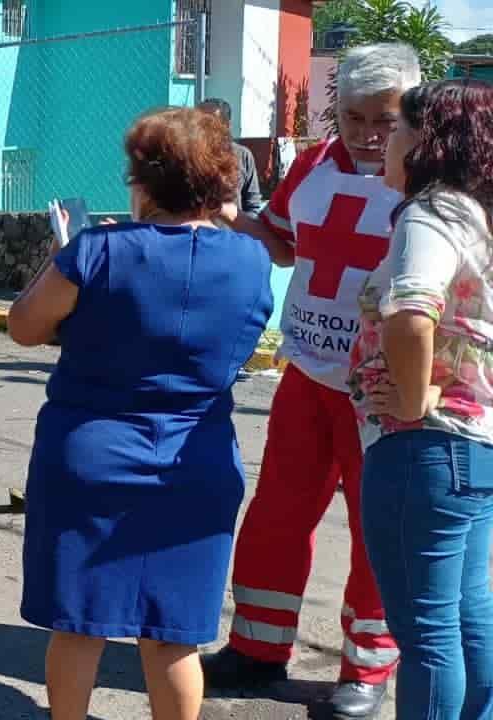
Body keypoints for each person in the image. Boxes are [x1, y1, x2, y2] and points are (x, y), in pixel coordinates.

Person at [8, 106, 272, 720]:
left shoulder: (96, 251)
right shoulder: (250, 261)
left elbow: (25, 327)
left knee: (79, 625)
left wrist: (62, 258)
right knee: (174, 636)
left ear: (145, 181)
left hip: (90, 457)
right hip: (197, 461)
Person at [202, 43, 419, 718]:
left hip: (381, 393)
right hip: (307, 376)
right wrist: (224, 220)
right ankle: (258, 649)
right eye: (351, 118)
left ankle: (367, 669)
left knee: (377, 533)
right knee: (275, 515)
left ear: (410, 110)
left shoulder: (426, 180)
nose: (364, 134)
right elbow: (284, 239)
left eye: (380, 119)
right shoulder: (313, 164)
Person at [350, 78, 493, 720]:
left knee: (431, 636)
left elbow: (411, 313)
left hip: (425, 450)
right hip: (476, 445)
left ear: (429, 142)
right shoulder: (479, 215)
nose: (385, 141)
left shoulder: (430, 214)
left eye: (399, 129)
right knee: (469, 618)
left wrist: (411, 401)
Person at [197, 98, 265, 215]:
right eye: (198, 119)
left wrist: (243, 231)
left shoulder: (243, 155)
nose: (201, 125)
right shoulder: (185, 156)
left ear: (226, 125)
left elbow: (252, 205)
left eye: (209, 120)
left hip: (231, 232)